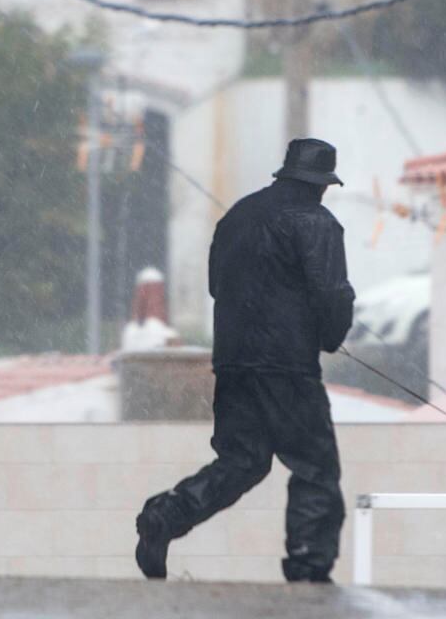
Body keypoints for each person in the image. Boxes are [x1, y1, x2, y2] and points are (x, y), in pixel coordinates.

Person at [135, 137, 356, 583]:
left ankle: (165, 518)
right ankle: (309, 568)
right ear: (321, 184)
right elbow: (332, 295)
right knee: (315, 467)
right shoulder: (317, 222)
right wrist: (328, 337)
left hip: (234, 363)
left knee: (242, 462)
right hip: (288, 367)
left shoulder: (238, 216)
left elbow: (219, 286)